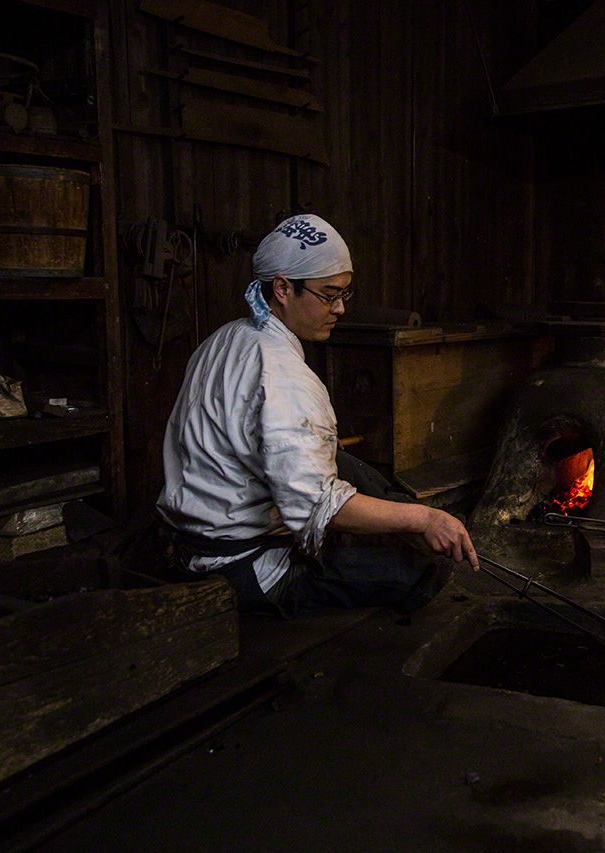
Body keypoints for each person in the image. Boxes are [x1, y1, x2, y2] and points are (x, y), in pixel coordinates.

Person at [157, 213, 478, 617]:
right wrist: (425, 519)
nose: (340, 308)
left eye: (343, 293)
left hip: (191, 537)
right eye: (328, 295)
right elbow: (321, 508)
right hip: (241, 566)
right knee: (422, 568)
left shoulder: (227, 337)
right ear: (282, 288)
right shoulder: (285, 377)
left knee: (347, 465)